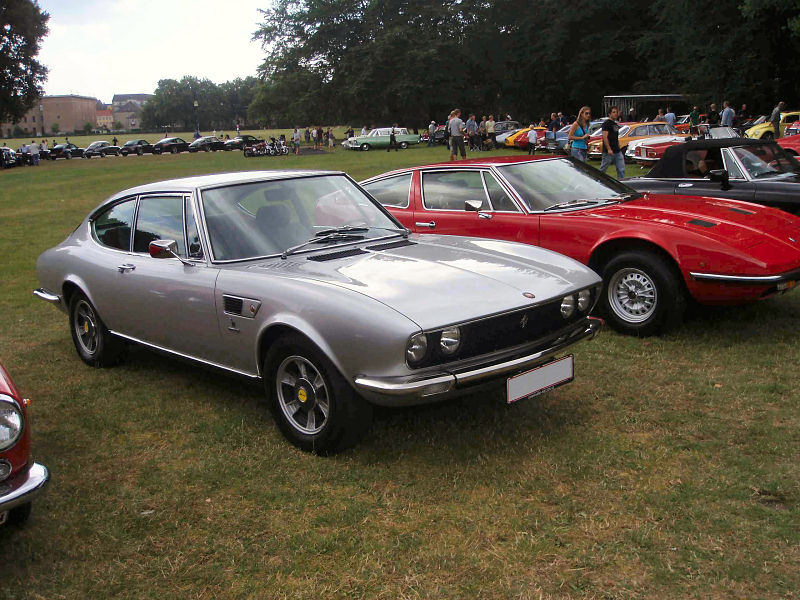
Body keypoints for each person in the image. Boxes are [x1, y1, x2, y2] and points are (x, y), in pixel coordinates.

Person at [600, 106, 625, 179]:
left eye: (616, 112)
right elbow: (605, 137)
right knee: (603, 169)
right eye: (613, 112)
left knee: (621, 169)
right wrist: (608, 148)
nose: (615, 114)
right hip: (609, 152)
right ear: (609, 114)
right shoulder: (606, 124)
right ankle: (598, 181)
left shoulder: (615, 124)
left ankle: (621, 183)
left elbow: (615, 137)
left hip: (617, 150)